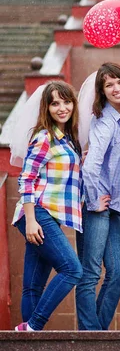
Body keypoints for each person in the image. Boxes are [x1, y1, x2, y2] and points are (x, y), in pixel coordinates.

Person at [12, 82, 83, 331]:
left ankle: (30, 344)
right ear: (47, 107)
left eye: (66, 102)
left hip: (47, 215)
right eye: (55, 103)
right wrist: (31, 220)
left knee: (33, 285)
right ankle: (34, 326)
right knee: (72, 269)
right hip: (37, 212)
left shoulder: (68, 140)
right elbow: (26, 179)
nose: (62, 108)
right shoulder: (45, 138)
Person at [75, 62, 120, 330]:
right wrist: (95, 199)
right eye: (109, 84)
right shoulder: (105, 120)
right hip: (96, 207)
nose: (116, 88)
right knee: (90, 273)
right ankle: (92, 335)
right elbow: (90, 165)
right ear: (102, 91)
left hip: (113, 208)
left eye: (119, 81)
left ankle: (96, 332)